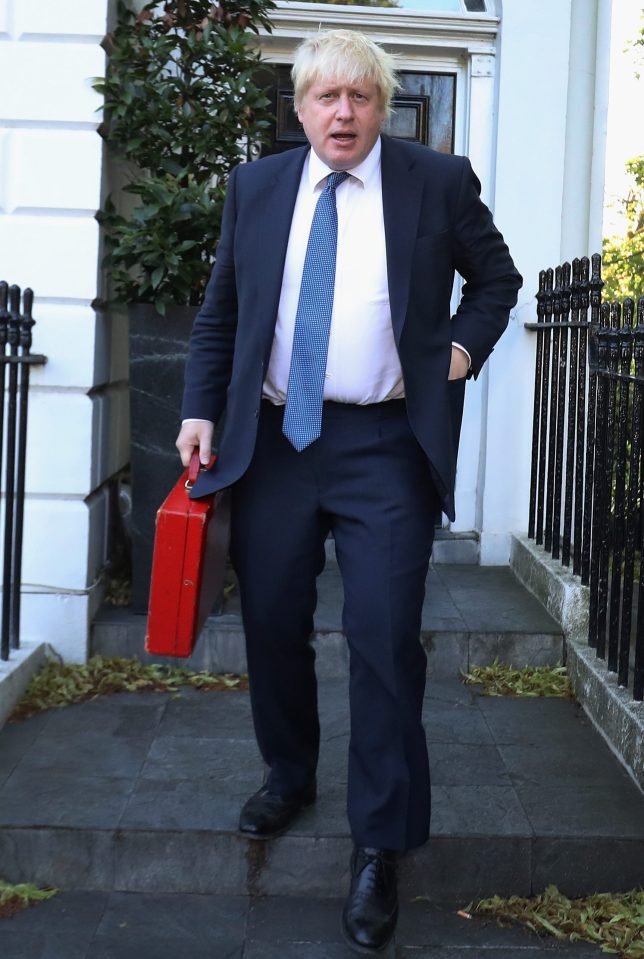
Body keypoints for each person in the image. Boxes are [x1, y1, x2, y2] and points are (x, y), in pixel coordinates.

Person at [176, 29, 522, 954]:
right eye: (326, 98)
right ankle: (289, 773)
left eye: (360, 98)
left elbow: (497, 281)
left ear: (381, 106)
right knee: (274, 620)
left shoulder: (437, 182)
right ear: (300, 109)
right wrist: (200, 409)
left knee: (381, 635)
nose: (343, 113)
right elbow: (222, 312)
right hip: (279, 441)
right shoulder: (255, 189)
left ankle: (380, 841)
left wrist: (456, 351)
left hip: (383, 445)